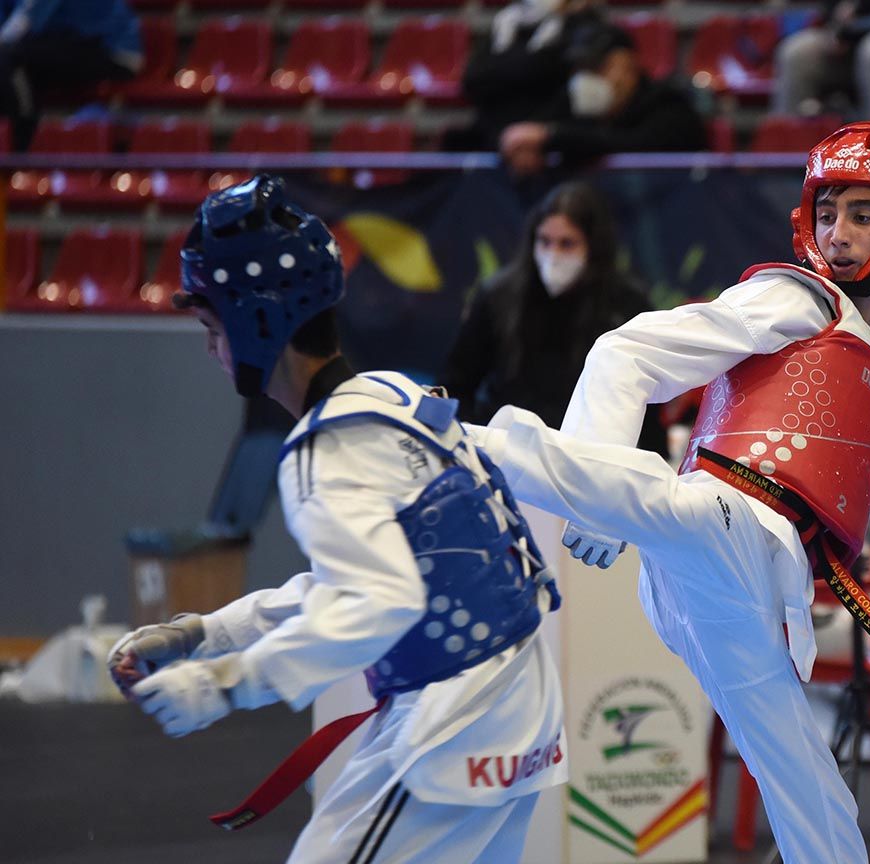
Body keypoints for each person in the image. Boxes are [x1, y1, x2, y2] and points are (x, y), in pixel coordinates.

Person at [467, 121, 870, 861]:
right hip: (727, 521)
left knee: (810, 790)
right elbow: (625, 350)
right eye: (827, 212)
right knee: (673, 506)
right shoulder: (794, 300)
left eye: (862, 213)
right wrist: (594, 472)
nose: (840, 232)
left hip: (751, 587)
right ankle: (452, 434)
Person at [106, 175, 566, 863]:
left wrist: (224, 686)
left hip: (453, 725)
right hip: (517, 707)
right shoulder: (395, 399)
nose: (210, 348)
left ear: (253, 322)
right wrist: (203, 635)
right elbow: (376, 580)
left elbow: (377, 600)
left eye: (211, 326)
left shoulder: (327, 449)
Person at [440, 180, 659, 447]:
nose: (552, 255)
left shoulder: (627, 304)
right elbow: (456, 385)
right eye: (544, 241)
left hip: (587, 456)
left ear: (594, 246)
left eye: (567, 244)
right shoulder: (498, 295)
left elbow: (645, 404)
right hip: (504, 449)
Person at [498, 21, 707, 176]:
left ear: (627, 65)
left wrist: (550, 138)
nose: (585, 79)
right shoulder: (574, 103)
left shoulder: (669, 105)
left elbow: (631, 145)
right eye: (579, 69)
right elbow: (531, 130)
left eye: (596, 67)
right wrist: (524, 147)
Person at [447, 0, 604, 152]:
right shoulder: (507, 22)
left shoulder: (585, 24)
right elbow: (473, 79)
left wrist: (532, 134)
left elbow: (567, 87)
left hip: (549, 143)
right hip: (496, 139)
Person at [0, 0, 143, 150]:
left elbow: (25, 22)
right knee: (7, 61)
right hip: (61, 42)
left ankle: (20, 144)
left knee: (8, 58)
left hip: (112, 48)